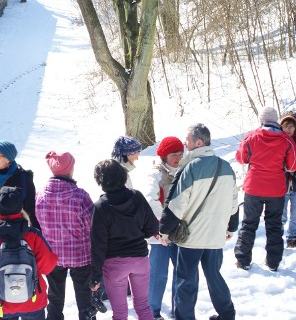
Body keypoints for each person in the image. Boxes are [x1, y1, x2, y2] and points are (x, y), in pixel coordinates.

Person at [159, 123, 238, 320]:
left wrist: (164, 231)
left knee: (186, 282)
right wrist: (231, 228)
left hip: (191, 238)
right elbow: (234, 203)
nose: (185, 144)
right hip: (216, 237)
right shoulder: (226, 167)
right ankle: (227, 315)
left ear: (199, 142)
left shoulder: (190, 167)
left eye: (188, 141)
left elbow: (177, 204)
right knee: (215, 277)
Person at [0, 186, 58, 320]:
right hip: (33, 300)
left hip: (0, 300)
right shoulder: (33, 235)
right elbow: (48, 265)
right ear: (20, 207)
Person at [89, 159, 158, 320]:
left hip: (114, 265)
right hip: (140, 259)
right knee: (143, 307)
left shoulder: (100, 207)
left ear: (100, 180)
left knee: (120, 313)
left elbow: (98, 245)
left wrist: (94, 275)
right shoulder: (137, 196)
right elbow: (153, 228)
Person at [35, 151, 97, 320]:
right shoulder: (80, 196)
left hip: (52, 256)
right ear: (70, 169)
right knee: (85, 299)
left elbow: (38, 224)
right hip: (80, 255)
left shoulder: (40, 196)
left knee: (54, 298)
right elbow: (92, 226)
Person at [234, 106, 296, 271]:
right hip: (276, 189)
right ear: (276, 120)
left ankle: (243, 260)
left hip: (253, 187)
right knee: (274, 225)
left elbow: (241, 158)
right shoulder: (286, 140)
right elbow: (292, 165)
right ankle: (273, 262)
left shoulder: (251, 137)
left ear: (261, 120)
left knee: (248, 224)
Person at [142, 137, 184, 320]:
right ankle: (153, 311)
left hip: (181, 232)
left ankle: (179, 308)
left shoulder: (185, 171)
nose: (178, 157)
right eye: (174, 154)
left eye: (181, 153)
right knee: (158, 274)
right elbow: (149, 200)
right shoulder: (155, 174)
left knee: (181, 273)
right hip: (160, 233)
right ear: (164, 156)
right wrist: (163, 223)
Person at [279, 110, 296, 248]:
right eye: (286, 126)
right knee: (281, 215)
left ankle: (292, 238)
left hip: (295, 184)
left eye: (291, 126)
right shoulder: (278, 143)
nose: (288, 129)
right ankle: (277, 237)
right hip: (282, 185)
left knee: (295, 215)